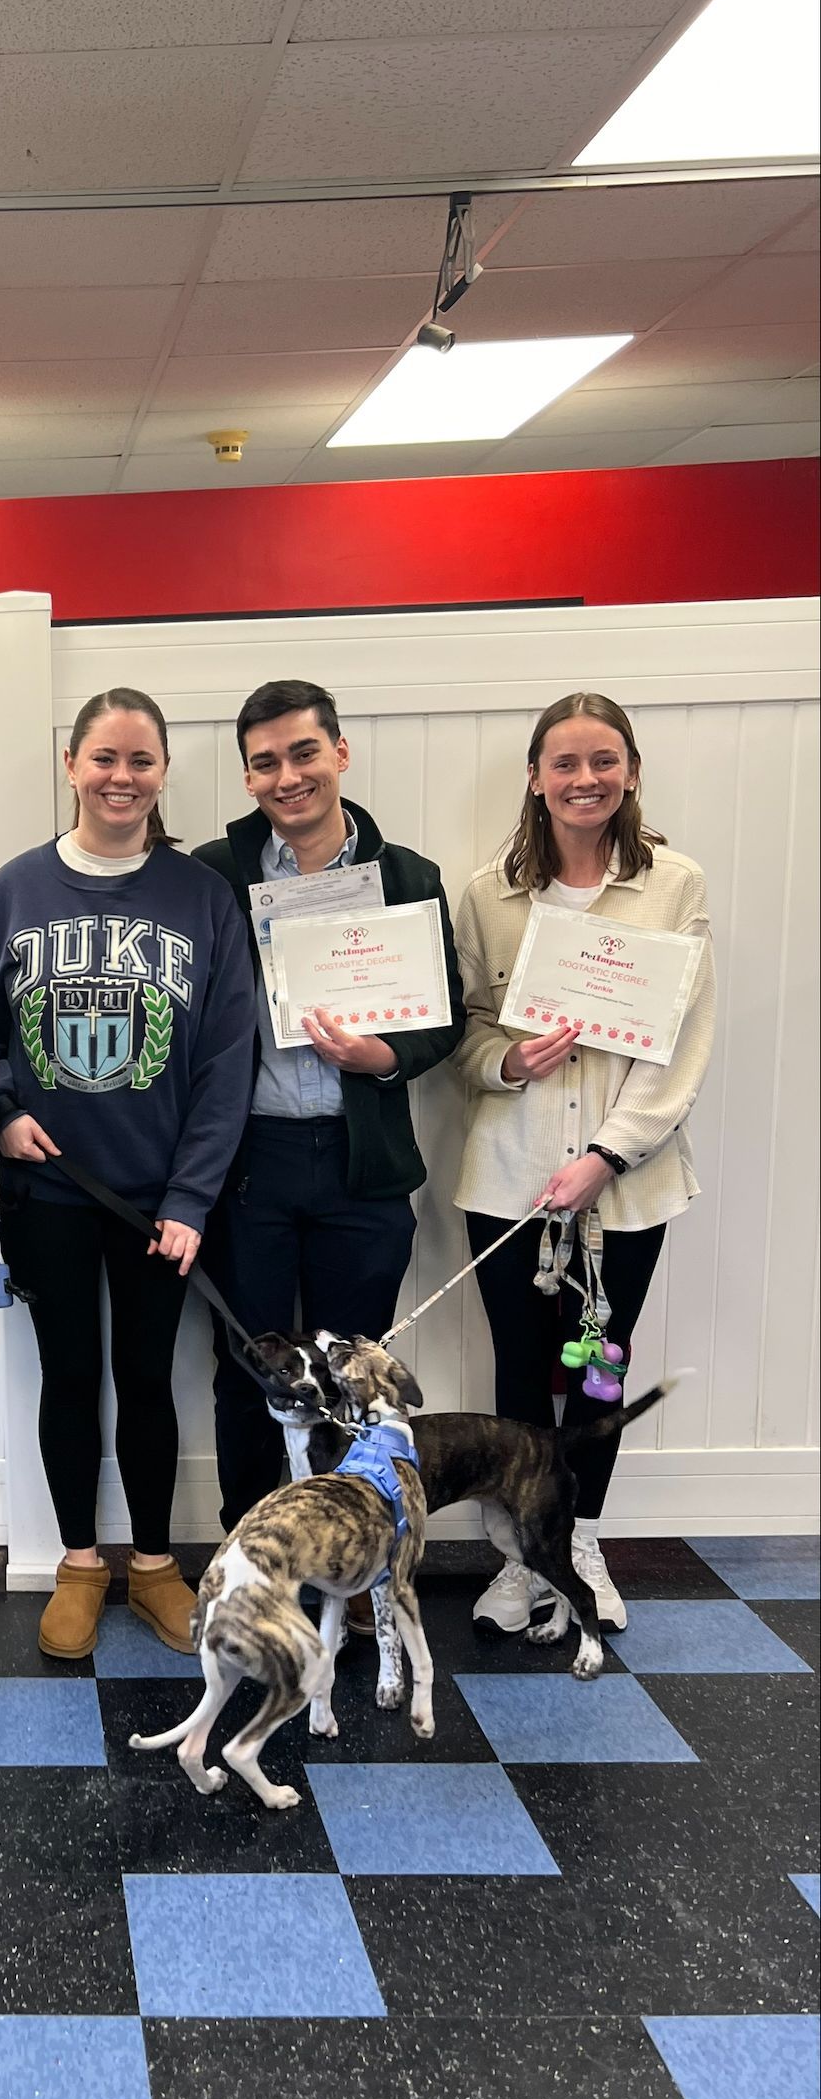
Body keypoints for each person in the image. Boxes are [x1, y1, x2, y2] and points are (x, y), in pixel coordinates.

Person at [0, 687, 254, 1660]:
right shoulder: (13, 888)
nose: (120, 776)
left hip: (154, 1199)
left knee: (146, 1378)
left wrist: (190, 1197)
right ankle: (80, 1562)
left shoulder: (200, 896)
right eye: (103, 757)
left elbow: (226, 1057)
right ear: (70, 764)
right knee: (68, 1374)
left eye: (139, 759)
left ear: (163, 770)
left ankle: (153, 1565)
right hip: (48, 1189)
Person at [195, 680, 464, 1625]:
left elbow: (447, 1020)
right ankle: (248, 1561)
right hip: (250, 1163)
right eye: (265, 761)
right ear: (247, 774)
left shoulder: (410, 873)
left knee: (359, 1379)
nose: (286, 776)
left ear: (340, 753)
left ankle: (352, 1572)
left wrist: (385, 1055)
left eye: (303, 753)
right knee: (248, 1374)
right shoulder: (213, 870)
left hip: (363, 1166)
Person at [453, 690, 715, 1634]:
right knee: (522, 1374)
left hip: (628, 1186)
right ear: (535, 777)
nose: (585, 779)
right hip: (511, 1176)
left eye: (604, 761)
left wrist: (608, 1154)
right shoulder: (486, 893)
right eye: (564, 763)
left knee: (600, 1366)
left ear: (631, 772)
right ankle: (523, 1560)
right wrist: (507, 1061)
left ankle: (585, 1539)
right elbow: (468, 1034)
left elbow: (682, 1040)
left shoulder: (673, 885)